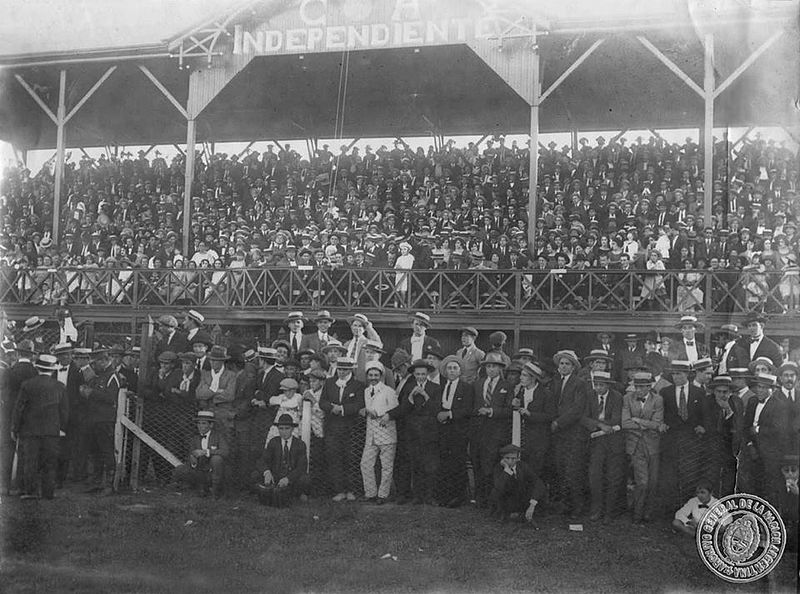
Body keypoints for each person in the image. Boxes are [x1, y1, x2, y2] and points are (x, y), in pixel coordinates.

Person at [11, 354, 68, 500]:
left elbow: (19, 409)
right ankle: (48, 492)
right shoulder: (60, 386)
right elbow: (64, 410)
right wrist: (62, 428)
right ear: (53, 370)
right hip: (52, 431)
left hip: (30, 430)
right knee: (49, 462)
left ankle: (31, 491)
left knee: (31, 461)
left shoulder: (27, 385)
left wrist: (15, 428)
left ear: (37, 368)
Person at [396, 358, 442, 505]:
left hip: (429, 432)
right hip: (413, 432)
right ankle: (417, 495)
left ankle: (430, 496)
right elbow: (403, 410)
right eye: (417, 374)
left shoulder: (435, 388)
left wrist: (425, 396)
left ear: (427, 373)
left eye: (423, 374)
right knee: (415, 464)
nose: (420, 377)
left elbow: (437, 410)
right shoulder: (408, 387)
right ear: (414, 374)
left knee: (430, 466)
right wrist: (410, 397)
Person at [742, 372, 792, 505]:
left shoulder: (779, 405)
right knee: (752, 484)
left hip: (770, 452)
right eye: (758, 387)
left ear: (773, 389)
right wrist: (749, 444)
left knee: (770, 486)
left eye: (764, 387)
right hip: (752, 449)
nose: (760, 390)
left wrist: (758, 430)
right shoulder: (752, 401)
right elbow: (746, 425)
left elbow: (780, 430)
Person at [550, 350, 590, 518]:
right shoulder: (555, 382)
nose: (564, 366)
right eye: (562, 364)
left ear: (573, 367)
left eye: (567, 364)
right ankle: (565, 505)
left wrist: (559, 422)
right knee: (561, 468)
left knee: (573, 471)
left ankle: (577, 507)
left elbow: (577, 409)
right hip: (559, 435)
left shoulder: (579, 383)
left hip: (573, 433)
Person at [319, 357, 364, 502]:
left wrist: (343, 409)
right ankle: (339, 490)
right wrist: (332, 408)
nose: (341, 372)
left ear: (351, 370)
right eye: (339, 369)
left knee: (350, 458)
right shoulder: (330, 382)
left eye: (345, 369)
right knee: (334, 458)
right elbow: (322, 402)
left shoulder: (358, 385)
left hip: (350, 428)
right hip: (332, 427)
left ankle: (351, 489)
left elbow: (359, 404)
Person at [622, 371, 665, 523]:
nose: (639, 390)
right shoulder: (627, 398)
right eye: (636, 386)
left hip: (653, 445)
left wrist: (638, 421)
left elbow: (658, 423)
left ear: (649, 386)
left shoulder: (657, 400)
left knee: (653, 482)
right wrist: (649, 424)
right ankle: (637, 513)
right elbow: (625, 423)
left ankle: (648, 512)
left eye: (642, 387)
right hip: (635, 445)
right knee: (643, 481)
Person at [471, 352, 513, 507]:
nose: (491, 370)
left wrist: (492, 411)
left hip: (496, 433)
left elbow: (509, 410)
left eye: (494, 366)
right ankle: (479, 497)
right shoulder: (478, 383)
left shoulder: (506, 386)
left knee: (491, 466)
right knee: (478, 464)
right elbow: (473, 406)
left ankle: (492, 498)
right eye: (488, 366)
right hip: (478, 431)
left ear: (500, 368)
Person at [582, 370, 624, 522]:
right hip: (596, 441)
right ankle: (596, 509)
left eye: (601, 385)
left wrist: (605, 426)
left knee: (613, 477)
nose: (598, 388)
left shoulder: (617, 397)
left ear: (608, 385)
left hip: (613, 441)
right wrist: (599, 425)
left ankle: (609, 512)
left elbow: (617, 419)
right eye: (596, 384)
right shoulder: (590, 396)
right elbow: (584, 418)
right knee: (595, 476)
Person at [82, 347, 121, 495]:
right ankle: (96, 482)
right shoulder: (97, 376)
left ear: (105, 361)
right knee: (94, 451)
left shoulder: (113, 376)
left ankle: (108, 485)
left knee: (106, 451)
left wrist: (91, 393)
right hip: (93, 419)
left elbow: (111, 398)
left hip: (105, 420)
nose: (93, 365)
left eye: (96, 362)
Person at [435, 355, 473, 507]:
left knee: (458, 463)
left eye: (454, 368)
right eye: (449, 368)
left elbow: (468, 409)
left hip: (458, 430)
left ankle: (459, 496)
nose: (451, 371)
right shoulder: (440, 387)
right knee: (444, 463)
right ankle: (445, 496)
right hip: (443, 430)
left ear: (460, 371)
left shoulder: (466, 388)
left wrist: (450, 414)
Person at [359, 361, 398, 504]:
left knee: (386, 466)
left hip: (387, 434)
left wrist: (376, 413)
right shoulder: (366, 391)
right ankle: (370, 493)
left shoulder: (389, 391)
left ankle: (383, 495)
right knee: (365, 464)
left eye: (376, 375)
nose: (373, 377)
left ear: (381, 376)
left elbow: (394, 411)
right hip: (371, 435)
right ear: (367, 376)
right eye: (371, 375)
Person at [254, 413, 310, 506]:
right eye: (281, 429)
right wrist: (267, 472)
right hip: (276, 476)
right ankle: (269, 492)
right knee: (255, 475)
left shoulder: (300, 444)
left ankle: (296, 493)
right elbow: (262, 460)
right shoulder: (273, 442)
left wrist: (288, 479)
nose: (284, 432)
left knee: (305, 479)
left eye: (287, 428)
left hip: (291, 478)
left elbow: (302, 467)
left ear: (292, 429)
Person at [512, 361, 555, 477]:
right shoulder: (519, 392)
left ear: (533, 378)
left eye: (524, 375)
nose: (521, 378)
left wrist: (530, 414)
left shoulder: (546, 394)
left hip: (538, 440)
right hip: (522, 439)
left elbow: (550, 416)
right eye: (521, 374)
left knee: (535, 472)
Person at [173, 410, 229, 499]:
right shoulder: (195, 438)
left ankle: (215, 492)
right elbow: (190, 457)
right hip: (200, 471)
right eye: (198, 423)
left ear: (211, 425)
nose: (200, 426)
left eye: (204, 423)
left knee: (217, 459)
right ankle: (195, 489)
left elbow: (225, 451)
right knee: (180, 469)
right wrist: (193, 461)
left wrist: (206, 452)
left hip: (214, 471)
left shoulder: (218, 436)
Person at [489, 444, 546, 524]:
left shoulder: (522, 466)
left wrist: (532, 504)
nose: (510, 461)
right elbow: (498, 488)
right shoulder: (498, 468)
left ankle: (523, 513)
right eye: (507, 458)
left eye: (513, 458)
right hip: (506, 501)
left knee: (536, 488)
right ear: (502, 459)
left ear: (517, 458)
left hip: (520, 500)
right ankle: (507, 515)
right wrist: (507, 471)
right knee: (496, 493)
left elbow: (538, 482)